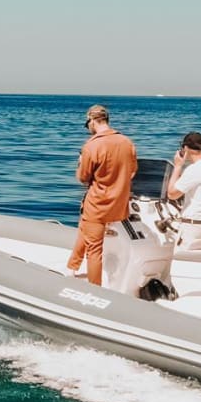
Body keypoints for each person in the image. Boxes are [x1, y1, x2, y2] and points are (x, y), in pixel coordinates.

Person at [66, 105, 138, 285]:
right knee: (85, 227)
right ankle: (72, 267)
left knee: (94, 249)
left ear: (92, 121)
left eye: (87, 124)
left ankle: (94, 289)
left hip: (98, 204)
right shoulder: (127, 142)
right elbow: (133, 171)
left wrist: (80, 162)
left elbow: (83, 178)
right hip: (119, 203)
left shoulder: (92, 146)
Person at [167, 131, 201, 250]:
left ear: (185, 148)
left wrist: (178, 166)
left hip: (194, 227)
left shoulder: (194, 169)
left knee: (181, 260)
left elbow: (171, 194)